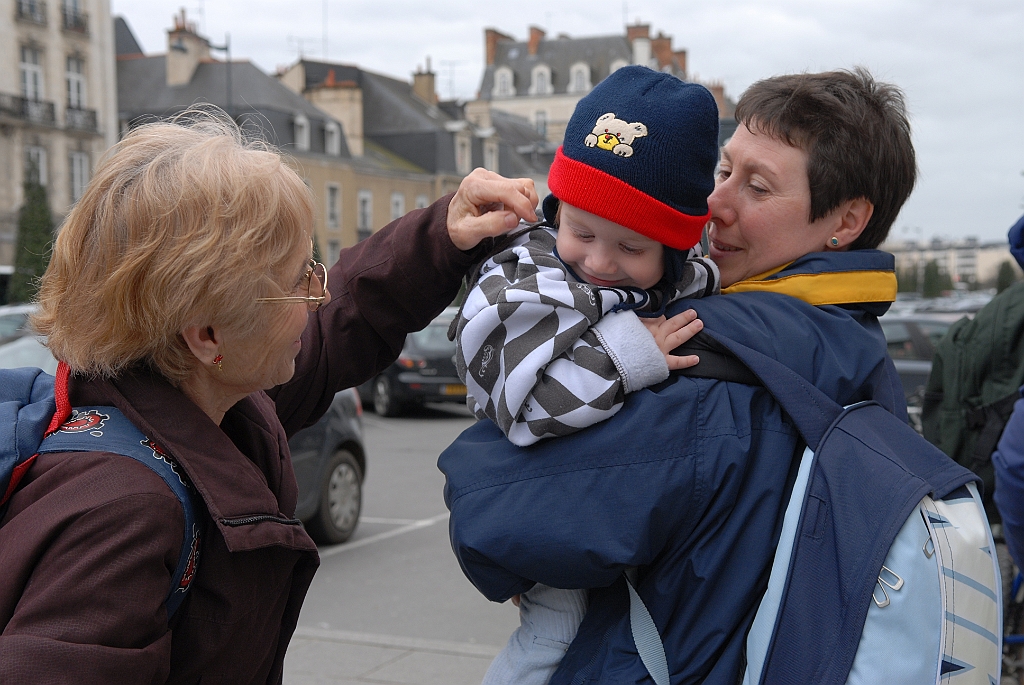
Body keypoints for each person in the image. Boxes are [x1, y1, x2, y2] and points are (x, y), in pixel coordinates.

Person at [0, 112, 537, 683]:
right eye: (299, 280)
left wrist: (442, 235)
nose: (317, 296)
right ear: (208, 335)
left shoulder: (204, 401)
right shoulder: (123, 513)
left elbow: (342, 320)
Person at [439, 67, 915, 684]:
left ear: (846, 221)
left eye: (758, 187)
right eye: (724, 171)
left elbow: (494, 517)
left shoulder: (710, 351)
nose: (715, 204)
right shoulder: (854, 345)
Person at [455, 66, 718, 685]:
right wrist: (628, 354)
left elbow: (703, 278)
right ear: (557, 212)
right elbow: (531, 405)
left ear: (673, 252)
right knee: (551, 635)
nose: (599, 261)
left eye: (632, 248)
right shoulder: (526, 280)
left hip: (600, 512)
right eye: (582, 232)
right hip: (538, 496)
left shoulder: (670, 277)